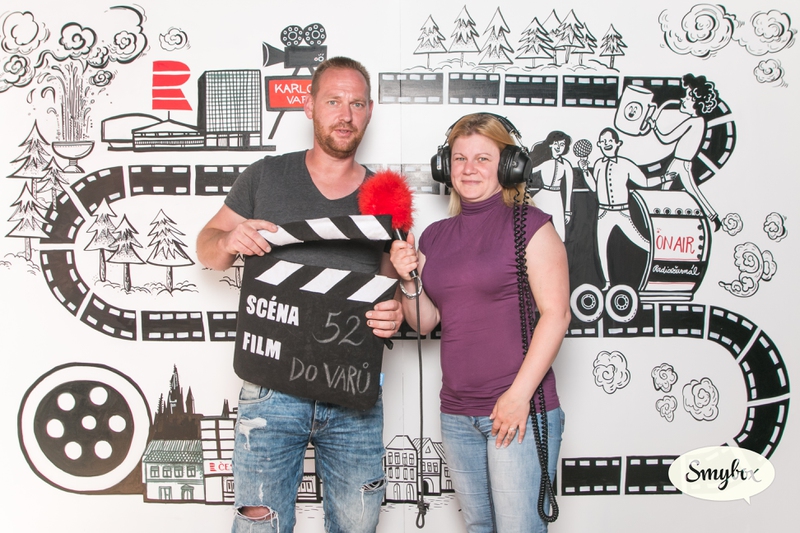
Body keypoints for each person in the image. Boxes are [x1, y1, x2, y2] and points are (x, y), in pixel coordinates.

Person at [196, 56, 402, 533]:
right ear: (309, 107)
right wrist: (227, 241)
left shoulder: (386, 195)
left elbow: (392, 285)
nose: (345, 115)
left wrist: (395, 312)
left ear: (370, 111)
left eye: (356, 104)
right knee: (259, 524)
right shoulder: (265, 176)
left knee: (357, 525)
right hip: (271, 387)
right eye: (333, 101)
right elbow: (207, 248)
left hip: (353, 389)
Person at [391, 113, 571, 533]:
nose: (469, 168)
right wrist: (408, 280)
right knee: (478, 527)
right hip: (457, 413)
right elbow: (426, 322)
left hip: (515, 409)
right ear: (445, 166)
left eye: (483, 158)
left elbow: (557, 314)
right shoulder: (435, 236)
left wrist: (517, 397)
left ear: (508, 166)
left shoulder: (532, 226)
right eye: (459, 158)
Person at [579, 127, 673, 290]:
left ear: (618, 143)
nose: (607, 144)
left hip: (622, 212)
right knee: (601, 248)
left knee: (642, 242)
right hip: (603, 213)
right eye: (603, 141)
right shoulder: (598, 164)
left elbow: (645, 182)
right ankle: (607, 283)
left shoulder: (625, 164)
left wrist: (664, 178)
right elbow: (594, 187)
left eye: (610, 141)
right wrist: (585, 171)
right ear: (599, 144)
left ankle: (663, 265)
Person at [647, 73, 722, 231]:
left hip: (681, 163)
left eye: (687, 97)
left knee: (684, 192)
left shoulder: (693, 122)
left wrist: (654, 126)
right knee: (669, 191)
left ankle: (711, 218)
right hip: (679, 162)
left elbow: (667, 138)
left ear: (696, 103)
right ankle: (711, 217)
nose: (682, 99)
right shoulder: (699, 122)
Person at [529, 130, 574, 241]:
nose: (558, 147)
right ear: (550, 144)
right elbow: (529, 172)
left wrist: (567, 211)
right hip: (542, 196)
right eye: (556, 143)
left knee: (558, 233)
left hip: (556, 198)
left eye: (562, 144)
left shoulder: (566, 165)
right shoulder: (544, 162)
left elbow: (569, 189)